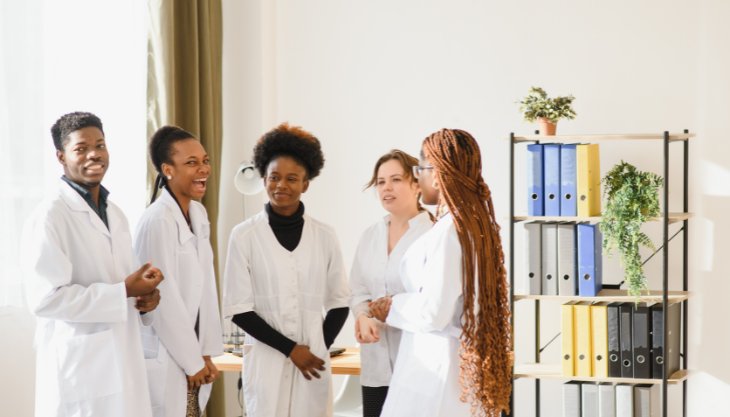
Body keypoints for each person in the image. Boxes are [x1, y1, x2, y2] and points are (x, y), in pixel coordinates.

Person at [21, 112, 164, 417]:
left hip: (122, 357)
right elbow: (45, 300)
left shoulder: (116, 213)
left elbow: (127, 280)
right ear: (61, 157)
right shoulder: (50, 216)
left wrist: (145, 298)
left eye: (100, 145)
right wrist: (123, 291)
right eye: (81, 148)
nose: (94, 154)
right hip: (80, 365)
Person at [370, 129, 513, 417]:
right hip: (458, 367)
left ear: (436, 174)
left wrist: (391, 305)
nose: (417, 179)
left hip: (436, 371)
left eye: (419, 170)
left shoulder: (450, 231)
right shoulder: (475, 223)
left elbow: (434, 312)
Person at [222, 122, 350, 417]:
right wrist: (293, 350)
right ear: (264, 178)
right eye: (274, 177)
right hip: (266, 360)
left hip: (313, 364)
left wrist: (318, 347)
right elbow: (239, 309)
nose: (282, 185)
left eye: (292, 178)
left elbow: (340, 301)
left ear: (305, 184)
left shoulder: (325, 235)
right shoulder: (244, 235)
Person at [133, 126, 223, 417]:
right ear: (167, 170)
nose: (204, 169)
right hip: (168, 353)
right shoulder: (158, 220)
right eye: (192, 162)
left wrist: (205, 352)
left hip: (192, 355)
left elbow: (206, 287)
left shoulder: (198, 214)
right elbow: (162, 297)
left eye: (205, 160)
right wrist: (192, 360)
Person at [348, 150, 434, 417]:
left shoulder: (433, 234)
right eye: (381, 181)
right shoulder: (370, 236)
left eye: (395, 179)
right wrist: (363, 316)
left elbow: (434, 301)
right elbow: (358, 289)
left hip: (419, 366)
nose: (386, 187)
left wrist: (392, 310)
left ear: (416, 184)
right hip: (375, 367)